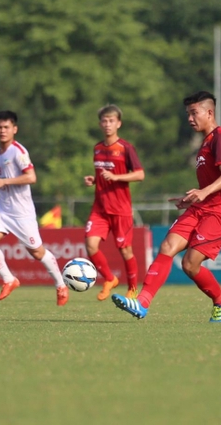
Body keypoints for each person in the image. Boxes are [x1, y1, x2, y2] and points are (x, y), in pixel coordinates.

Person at [113, 91, 221, 323]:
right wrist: (193, 197)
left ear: (209, 113)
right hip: (202, 207)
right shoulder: (206, 142)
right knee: (168, 245)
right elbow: (211, 180)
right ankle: (142, 303)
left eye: (194, 113)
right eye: (187, 114)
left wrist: (203, 192)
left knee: (190, 265)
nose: (190, 119)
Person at [0, 110, 69, 306]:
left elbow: (31, 177)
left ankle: (61, 285)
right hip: (3, 209)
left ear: (14, 129)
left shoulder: (19, 152)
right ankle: (9, 279)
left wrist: (4, 182)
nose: (2, 131)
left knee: (37, 252)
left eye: (6, 127)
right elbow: (3, 181)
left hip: (21, 212)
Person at [83, 104, 145, 301]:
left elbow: (140, 174)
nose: (107, 124)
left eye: (111, 121)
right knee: (90, 245)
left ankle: (133, 288)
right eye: (104, 121)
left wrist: (117, 177)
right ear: (100, 124)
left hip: (120, 209)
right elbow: (102, 174)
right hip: (100, 208)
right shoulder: (97, 148)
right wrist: (94, 179)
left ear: (119, 123)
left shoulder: (126, 148)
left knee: (125, 250)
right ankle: (110, 279)